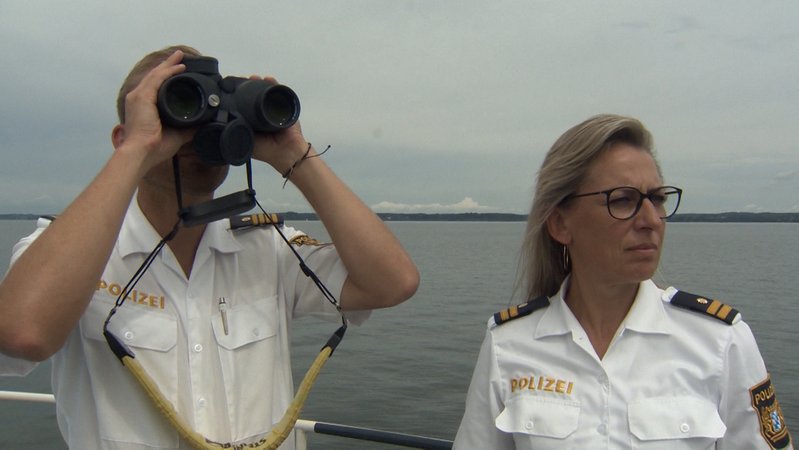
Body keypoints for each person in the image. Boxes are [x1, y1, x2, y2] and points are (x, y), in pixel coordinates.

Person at [0, 45, 419, 449]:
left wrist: (292, 152)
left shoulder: (267, 249)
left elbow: (392, 283)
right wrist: (137, 150)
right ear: (121, 136)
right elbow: (24, 334)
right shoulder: (68, 254)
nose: (193, 135)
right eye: (177, 111)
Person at [453, 114, 792, 449]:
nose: (651, 220)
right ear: (560, 224)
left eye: (657, 199)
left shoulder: (719, 341)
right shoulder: (509, 344)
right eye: (623, 200)